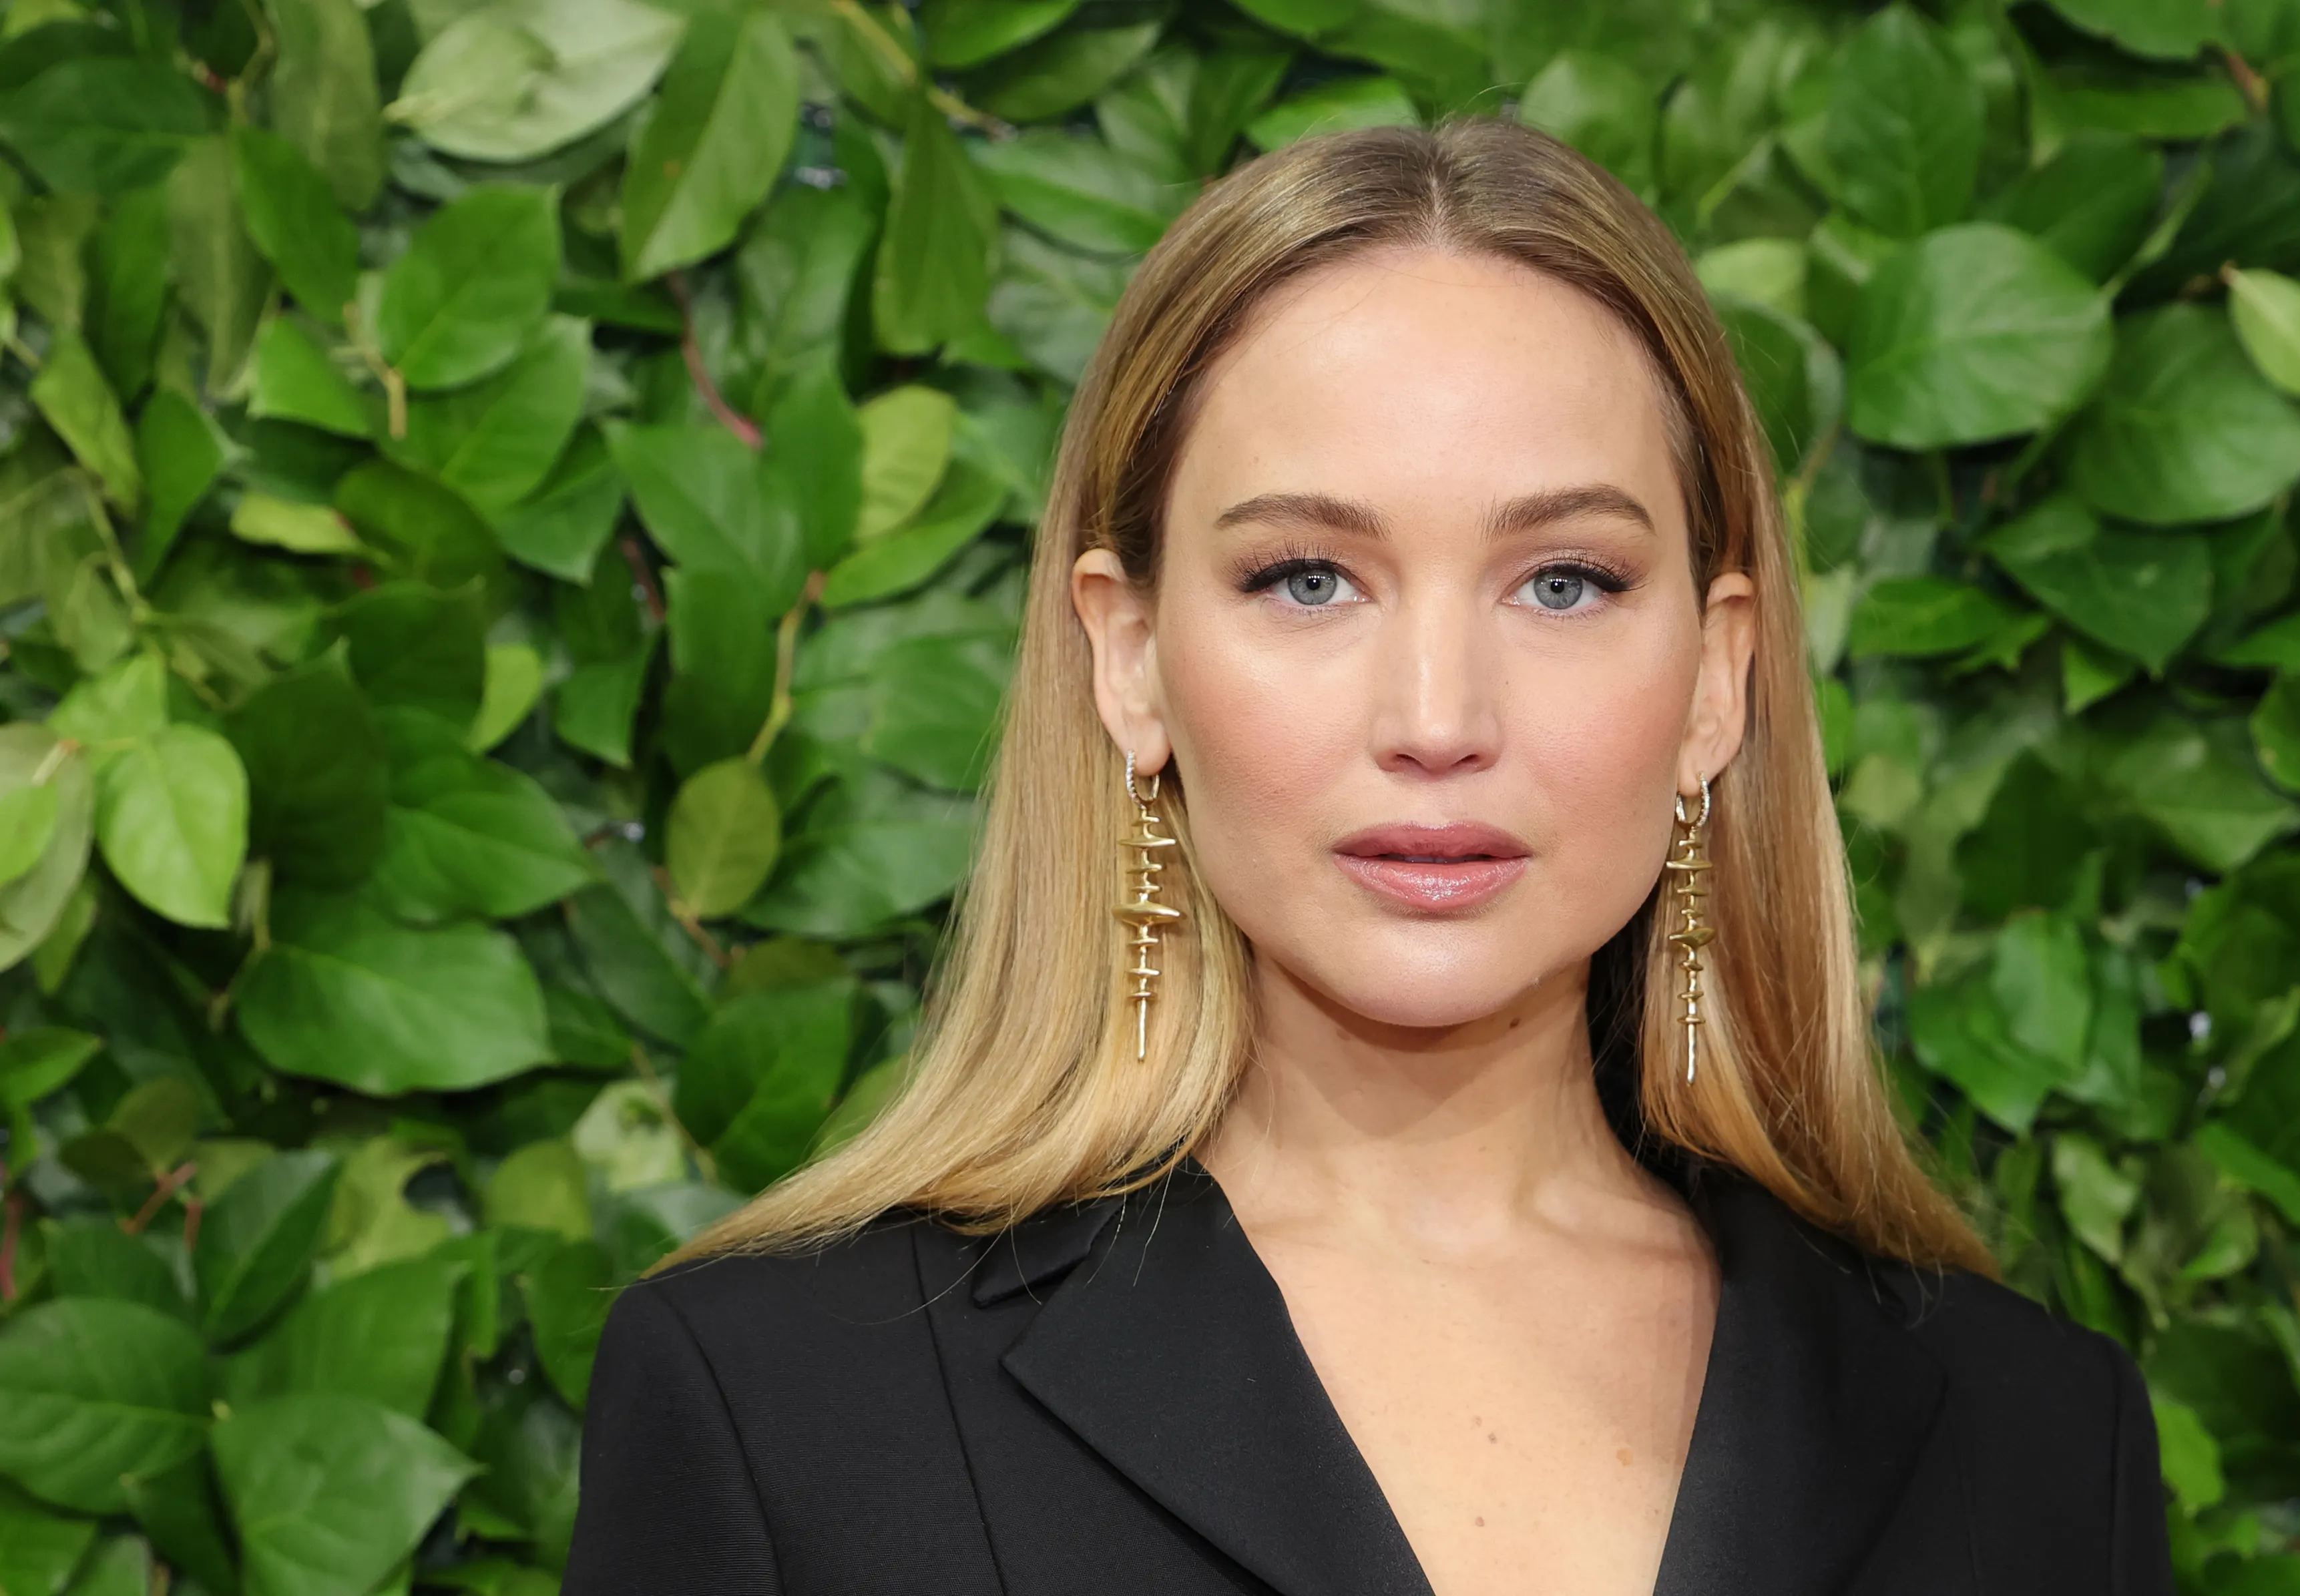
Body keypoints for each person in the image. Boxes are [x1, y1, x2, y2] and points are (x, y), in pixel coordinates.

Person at [565, 117, 2173, 1596]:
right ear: (1128, 659)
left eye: (1563, 583)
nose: (1436, 717)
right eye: (1307, 578)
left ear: (1714, 676)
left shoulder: (2038, 1439)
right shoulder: (778, 1407)